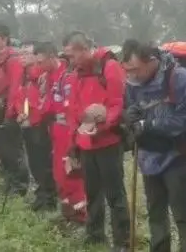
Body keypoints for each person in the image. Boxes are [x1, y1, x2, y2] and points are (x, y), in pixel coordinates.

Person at [120, 40, 186, 252]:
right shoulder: (131, 83)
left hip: (177, 156)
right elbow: (128, 108)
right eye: (127, 70)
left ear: (152, 61)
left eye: (136, 69)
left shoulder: (180, 79)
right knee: (155, 213)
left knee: (183, 215)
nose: (132, 76)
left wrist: (150, 124)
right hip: (148, 156)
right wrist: (128, 116)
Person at [62, 31, 130, 251]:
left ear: (84, 49)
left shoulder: (109, 67)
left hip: (108, 141)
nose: (70, 61)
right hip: (85, 142)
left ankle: (122, 239)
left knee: (115, 193)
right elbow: (71, 107)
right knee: (92, 192)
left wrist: (101, 126)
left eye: (72, 56)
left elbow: (117, 103)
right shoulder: (76, 73)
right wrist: (75, 135)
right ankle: (95, 233)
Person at [33, 41, 88, 224]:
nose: (38, 66)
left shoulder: (68, 76)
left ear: (51, 57)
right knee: (59, 174)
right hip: (55, 130)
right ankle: (68, 212)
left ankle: (80, 215)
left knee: (71, 172)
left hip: (67, 130)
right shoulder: (49, 77)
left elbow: (67, 107)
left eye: (41, 62)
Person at [0, 24, 30, 198]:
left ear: (4, 39)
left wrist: (11, 114)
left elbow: (15, 88)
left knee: (13, 150)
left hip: (9, 111)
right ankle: (9, 182)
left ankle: (20, 185)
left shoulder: (12, 59)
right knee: (3, 151)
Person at [16, 42, 58, 212]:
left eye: (27, 53)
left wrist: (36, 114)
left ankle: (48, 198)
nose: (23, 57)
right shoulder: (23, 75)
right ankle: (41, 194)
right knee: (34, 161)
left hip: (40, 123)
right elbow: (20, 96)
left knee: (44, 162)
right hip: (27, 121)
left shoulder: (41, 75)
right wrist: (19, 111)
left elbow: (44, 100)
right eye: (21, 53)